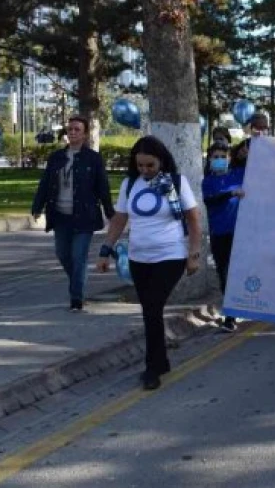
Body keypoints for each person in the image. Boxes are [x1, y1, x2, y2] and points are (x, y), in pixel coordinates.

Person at [96, 136, 204, 391]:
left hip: (170, 255)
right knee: (149, 312)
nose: (145, 170)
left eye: (150, 166)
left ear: (162, 161)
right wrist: (105, 250)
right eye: (140, 166)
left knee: (153, 308)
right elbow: (120, 220)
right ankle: (161, 360)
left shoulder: (176, 183)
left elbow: (194, 220)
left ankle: (151, 368)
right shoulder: (130, 184)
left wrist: (194, 254)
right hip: (138, 258)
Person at [31, 116, 115, 312]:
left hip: (84, 216)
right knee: (62, 254)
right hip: (60, 215)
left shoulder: (93, 159)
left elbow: (103, 187)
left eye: (77, 129)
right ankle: (78, 281)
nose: (73, 132)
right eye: (70, 129)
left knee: (79, 256)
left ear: (85, 134)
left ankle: (76, 298)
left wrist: (110, 211)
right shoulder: (56, 158)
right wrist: (37, 206)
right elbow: (45, 184)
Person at [202, 140, 244, 332]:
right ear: (209, 159)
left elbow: (256, 160)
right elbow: (210, 200)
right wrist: (230, 193)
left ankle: (234, 313)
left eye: (222, 157)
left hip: (241, 233)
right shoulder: (208, 182)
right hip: (219, 234)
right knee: (224, 274)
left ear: (229, 158)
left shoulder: (238, 174)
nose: (219, 160)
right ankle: (230, 314)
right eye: (215, 157)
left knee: (237, 274)